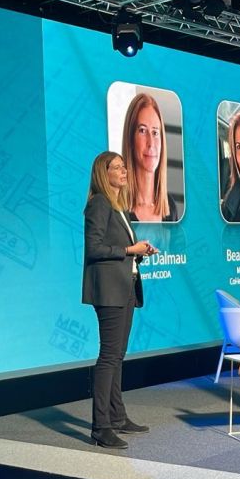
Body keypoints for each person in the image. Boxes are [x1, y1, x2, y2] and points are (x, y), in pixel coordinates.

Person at [82, 150, 157, 448]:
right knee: (109, 356)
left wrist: (140, 253)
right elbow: (94, 248)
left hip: (126, 286)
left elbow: (121, 249)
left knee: (118, 355)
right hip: (109, 290)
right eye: (117, 167)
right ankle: (100, 427)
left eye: (125, 166)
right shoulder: (99, 203)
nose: (124, 171)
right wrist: (129, 250)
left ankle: (117, 417)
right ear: (104, 173)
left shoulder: (119, 207)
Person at [121, 93, 180, 222]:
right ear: (130, 139)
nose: (151, 143)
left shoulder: (171, 207)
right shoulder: (116, 208)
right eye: (142, 130)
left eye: (155, 132)